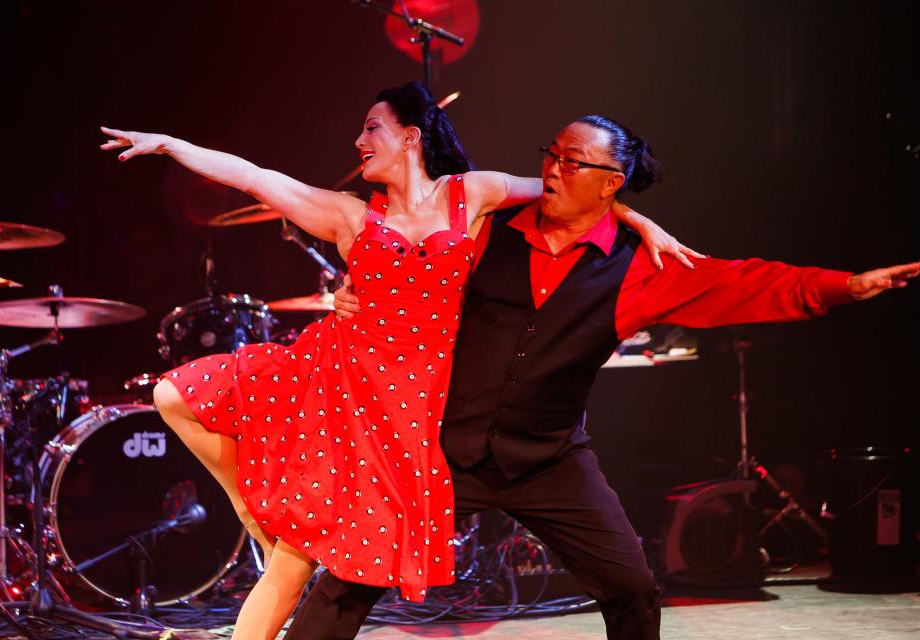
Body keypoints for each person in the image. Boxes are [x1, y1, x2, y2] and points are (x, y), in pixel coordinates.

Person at [288, 114, 920, 640]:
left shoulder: (637, 269)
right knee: (348, 582)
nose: (552, 169)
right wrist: (354, 294)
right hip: (444, 450)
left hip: (549, 461)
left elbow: (741, 281)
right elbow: (411, 265)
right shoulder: (486, 231)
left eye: (573, 162)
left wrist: (843, 287)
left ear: (610, 183)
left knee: (632, 588)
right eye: (552, 154)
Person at [99, 82, 694, 640]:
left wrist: (636, 218)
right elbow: (256, 178)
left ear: (411, 136)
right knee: (173, 395)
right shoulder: (352, 216)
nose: (359, 142)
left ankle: (265, 526)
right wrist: (172, 146)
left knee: (294, 565)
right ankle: (249, 504)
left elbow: (568, 191)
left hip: (408, 415)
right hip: (341, 383)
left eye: (371, 128)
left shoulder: (471, 194)